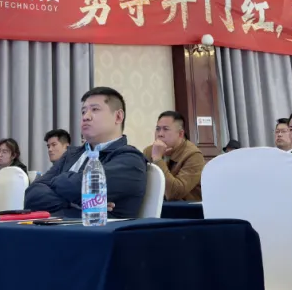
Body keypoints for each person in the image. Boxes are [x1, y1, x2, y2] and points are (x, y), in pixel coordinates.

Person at [24, 87, 147, 218]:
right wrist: (75, 204)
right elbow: (31, 195)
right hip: (53, 226)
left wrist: (56, 181)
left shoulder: (130, 160)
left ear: (118, 116)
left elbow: (82, 187)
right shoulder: (71, 155)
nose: (86, 117)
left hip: (95, 229)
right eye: (83, 111)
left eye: (95, 109)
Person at [143, 110, 205, 201]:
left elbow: (174, 193)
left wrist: (157, 159)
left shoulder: (193, 155)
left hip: (184, 207)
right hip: (155, 205)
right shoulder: (149, 151)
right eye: (158, 129)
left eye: (166, 129)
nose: (160, 134)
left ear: (180, 134)